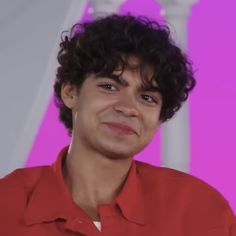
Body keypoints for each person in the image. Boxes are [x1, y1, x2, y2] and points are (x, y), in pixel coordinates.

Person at [0, 14, 235, 236]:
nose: (128, 107)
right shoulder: (7, 205)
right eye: (109, 87)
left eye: (147, 98)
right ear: (70, 91)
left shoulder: (201, 211)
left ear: (160, 117)